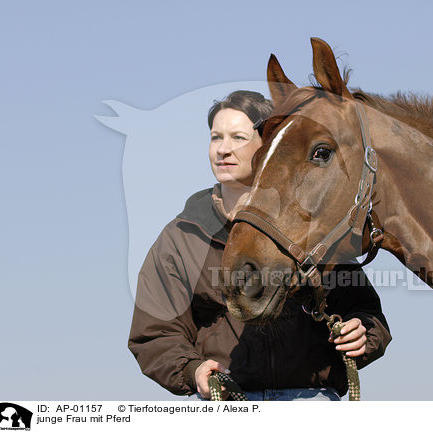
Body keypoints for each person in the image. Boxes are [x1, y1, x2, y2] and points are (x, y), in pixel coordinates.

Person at [128, 90, 392, 401]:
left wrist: (361, 332)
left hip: (312, 401)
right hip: (227, 404)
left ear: (268, 144)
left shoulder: (313, 223)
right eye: (216, 138)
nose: (223, 150)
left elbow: (364, 310)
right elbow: (154, 333)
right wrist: (191, 370)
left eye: (238, 137)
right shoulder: (181, 238)